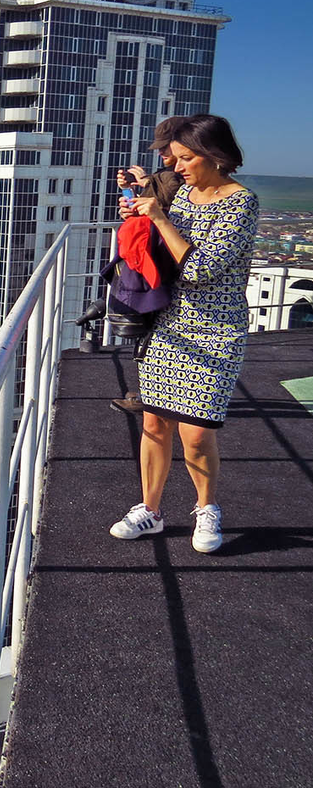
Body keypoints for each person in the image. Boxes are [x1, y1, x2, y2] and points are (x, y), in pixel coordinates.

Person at [108, 114, 258, 553]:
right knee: (155, 421)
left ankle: (207, 508)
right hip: (171, 325)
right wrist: (143, 212)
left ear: (214, 156)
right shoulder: (186, 195)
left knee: (195, 431)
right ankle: (150, 511)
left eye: (187, 158)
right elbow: (164, 251)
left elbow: (198, 269)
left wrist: (160, 217)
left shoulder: (241, 204)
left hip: (216, 329)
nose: (178, 166)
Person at [110, 116, 186, 413]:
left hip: (166, 260)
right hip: (160, 257)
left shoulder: (172, 177)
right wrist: (134, 195)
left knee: (154, 326)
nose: (163, 155)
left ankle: (154, 395)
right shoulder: (165, 174)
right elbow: (152, 211)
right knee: (152, 328)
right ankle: (151, 392)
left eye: (165, 147)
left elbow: (169, 208)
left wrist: (145, 184)